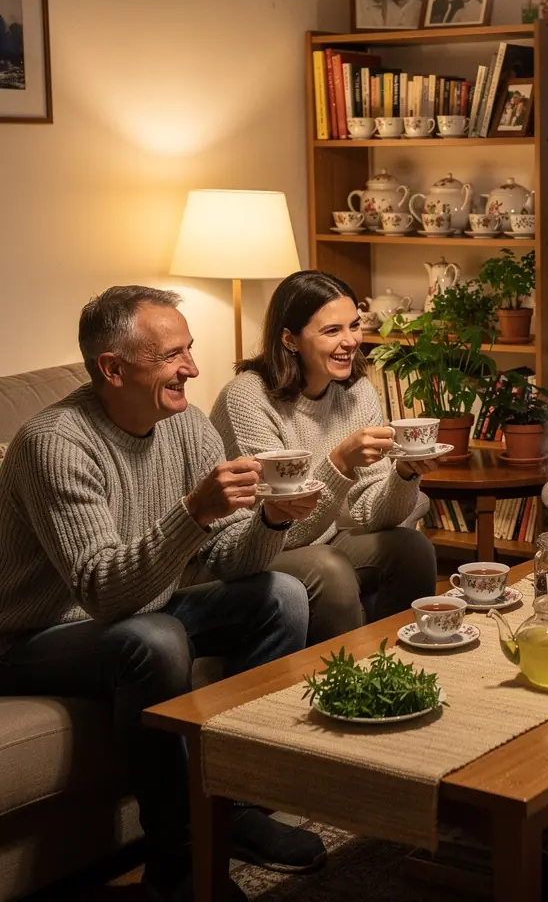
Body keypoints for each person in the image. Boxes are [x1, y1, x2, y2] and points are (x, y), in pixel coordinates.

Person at [0, 287, 326, 902]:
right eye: (173, 355)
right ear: (113, 368)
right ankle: (175, 860)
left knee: (281, 594)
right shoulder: (55, 443)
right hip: (32, 637)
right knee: (155, 638)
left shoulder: (186, 425)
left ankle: (239, 811)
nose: (193, 369)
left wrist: (272, 521)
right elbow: (102, 593)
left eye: (190, 350)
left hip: (137, 604)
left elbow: (230, 559)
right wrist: (192, 512)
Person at [209, 271, 438, 645]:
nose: (350, 342)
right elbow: (286, 530)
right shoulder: (247, 399)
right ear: (289, 339)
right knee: (329, 567)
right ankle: (346, 686)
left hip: (321, 536)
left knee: (411, 548)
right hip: (252, 548)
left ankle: (401, 666)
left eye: (354, 326)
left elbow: (373, 514)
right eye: (332, 331)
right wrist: (340, 464)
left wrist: (404, 474)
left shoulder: (356, 392)